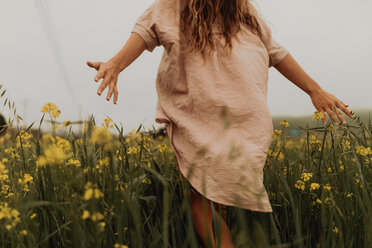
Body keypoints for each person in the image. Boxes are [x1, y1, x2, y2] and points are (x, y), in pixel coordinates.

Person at [87, 0, 355, 247]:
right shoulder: (241, 13)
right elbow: (277, 54)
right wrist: (314, 90)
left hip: (202, 111)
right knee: (213, 193)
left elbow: (144, 33)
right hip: (244, 114)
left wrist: (115, 64)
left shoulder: (186, 8)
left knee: (199, 198)